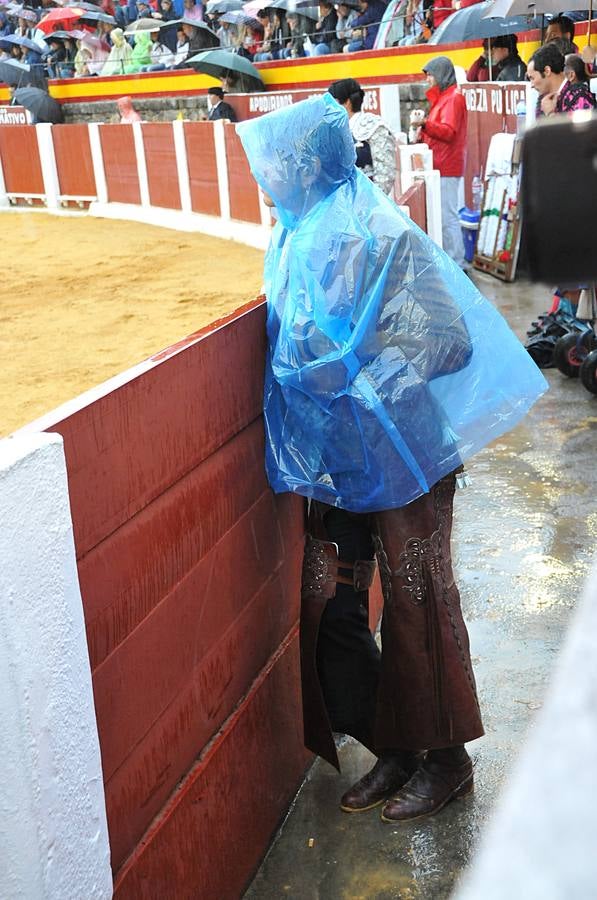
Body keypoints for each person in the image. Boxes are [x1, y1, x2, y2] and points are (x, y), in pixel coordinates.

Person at [236, 93, 546, 823]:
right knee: (333, 602)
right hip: (337, 461)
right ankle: (393, 746)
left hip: (405, 456)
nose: (264, 176)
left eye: (274, 161)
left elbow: (450, 340)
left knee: (416, 603)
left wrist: (361, 371)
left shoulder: (381, 232)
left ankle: (447, 759)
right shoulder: (292, 236)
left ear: (307, 164)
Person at [419, 56, 467, 268]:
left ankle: (457, 262)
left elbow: (448, 132)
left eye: (430, 74)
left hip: (446, 165)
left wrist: (424, 124)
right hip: (441, 164)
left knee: (447, 217)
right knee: (445, 216)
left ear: (440, 74)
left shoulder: (453, 98)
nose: (428, 79)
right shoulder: (445, 97)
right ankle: (454, 261)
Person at [328, 78, 397, 196]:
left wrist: (373, 203)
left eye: (333, 103)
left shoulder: (373, 126)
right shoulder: (334, 130)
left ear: (347, 103)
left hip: (367, 200)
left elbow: (385, 173)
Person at [528, 43, 596, 116]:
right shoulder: (543, 100)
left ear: (547, 71)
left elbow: (586, 127)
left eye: (532, 78)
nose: (531, 85)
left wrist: (551, 114)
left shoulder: (580, 96)